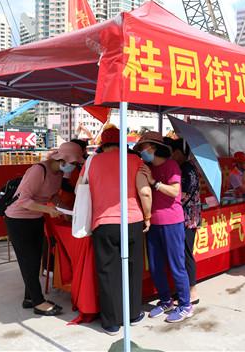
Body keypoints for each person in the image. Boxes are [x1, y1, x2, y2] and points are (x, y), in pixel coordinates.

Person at [84, 127, 152, 335]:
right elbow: (145, 192)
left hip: (103, 222)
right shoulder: (135, 160)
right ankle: (133, 314)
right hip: (132, 221)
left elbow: (80, 189)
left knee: (107, 271)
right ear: (123, 143)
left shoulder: (91, 162)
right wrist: (148, 216)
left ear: (103, 144)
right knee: (133, 268)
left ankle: (111, 322)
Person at [4, 142, 84, 316]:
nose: (73, 166)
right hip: (18, 220)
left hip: (36, 218)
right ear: (62, 159)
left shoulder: (59, 173)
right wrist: (48, 210)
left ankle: (29, 298)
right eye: (73, 162)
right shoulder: (38, 170)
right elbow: (23, 200)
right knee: (28, 261)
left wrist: (65, 209)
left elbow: (53, 195)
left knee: (35, 259)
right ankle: (38, 302)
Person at [134, 132, 194, 323]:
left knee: (176, 265)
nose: (142, 152)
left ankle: (185, 305)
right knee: (156, 266)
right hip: (153, 222)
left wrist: (154, 182)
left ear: (153, 148)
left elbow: (175, 191)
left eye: (143, 148)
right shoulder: (148, 167)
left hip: (172, 221)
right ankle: (166, 300)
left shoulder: (171, 166)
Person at [164, 137, 201, 305]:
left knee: (186, 254)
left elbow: (182, 196)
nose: (171, 156)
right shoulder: (188, 167)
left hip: (187, 219)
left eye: (172, 153)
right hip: (188, 217)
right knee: (183, 253)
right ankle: (183, 289)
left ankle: (192, 292)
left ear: (179, 152)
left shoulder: (186, 170)